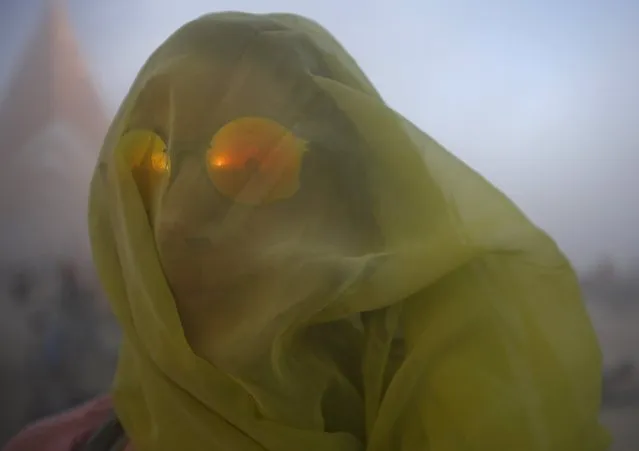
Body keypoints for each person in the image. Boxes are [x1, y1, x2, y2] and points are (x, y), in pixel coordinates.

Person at [3, 11, 610, 451]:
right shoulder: (50, 445)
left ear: (347, 200)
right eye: (149, 167)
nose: (177, 212)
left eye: (248, 162)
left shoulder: (480, 412)